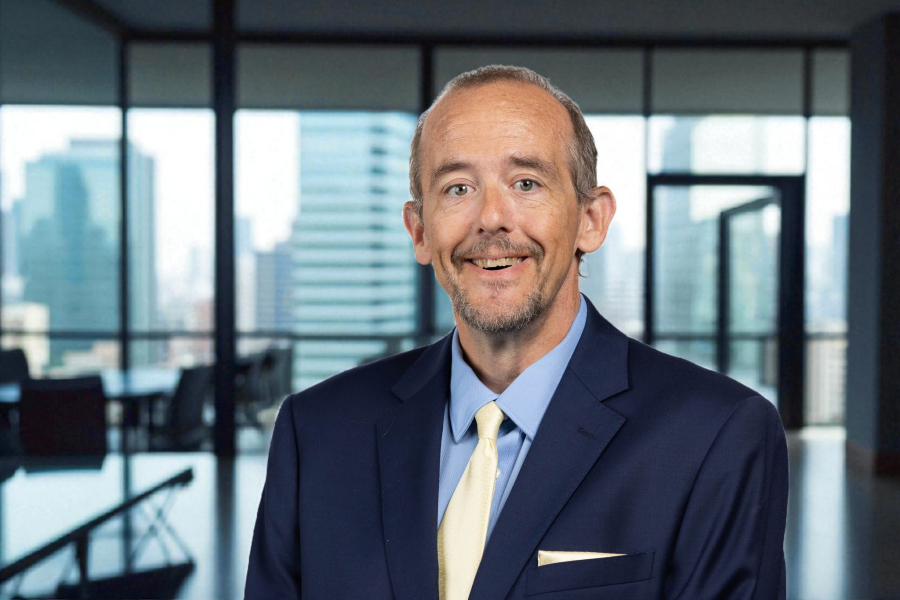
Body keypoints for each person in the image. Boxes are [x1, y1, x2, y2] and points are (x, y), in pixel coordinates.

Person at [245, 65, 789, 599]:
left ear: (591, 220)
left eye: (526, 183)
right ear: (420, 231)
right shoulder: (316, 432)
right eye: (458, 188)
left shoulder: (715, 436)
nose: (491, 218)